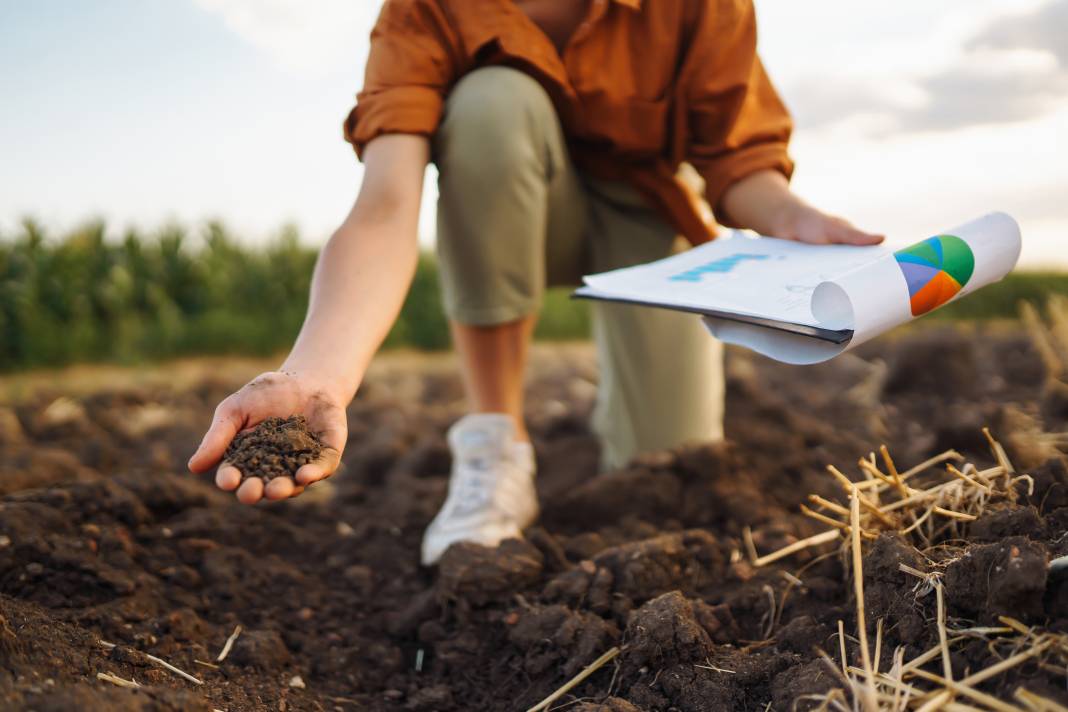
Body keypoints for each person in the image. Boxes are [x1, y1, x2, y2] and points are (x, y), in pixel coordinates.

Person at [187, 0, 883, 565]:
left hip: (647, 226)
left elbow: (739, 162)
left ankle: (616, 417)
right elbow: (385, 207)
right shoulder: (423, 11)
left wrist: (797, 220)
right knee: (494, 99)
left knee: (665, 469)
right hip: (506, 209)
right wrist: (317, 375)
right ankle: (497, 440)